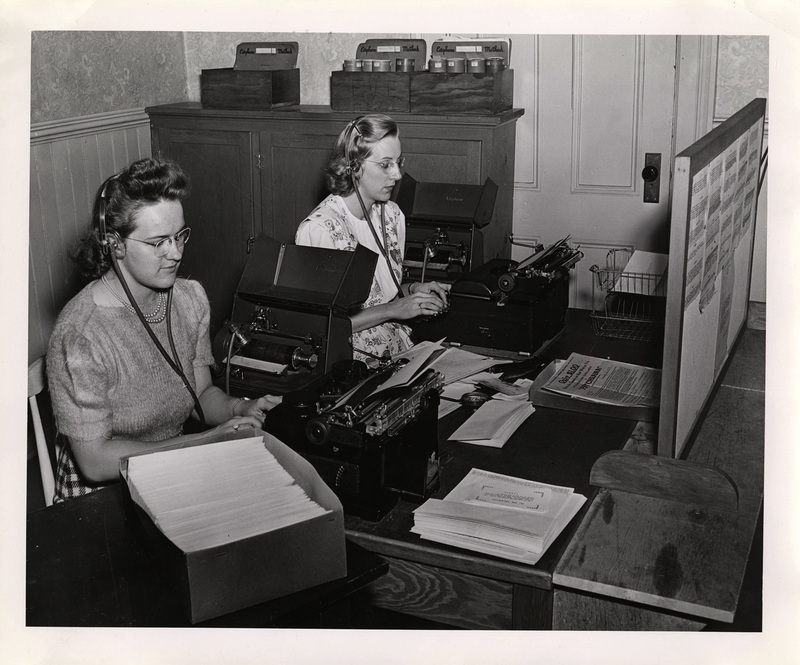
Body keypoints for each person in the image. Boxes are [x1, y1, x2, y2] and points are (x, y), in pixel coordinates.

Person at [47, 157, 280, 502]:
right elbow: (94, 462)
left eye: (179, 235)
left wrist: (238, 408)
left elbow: (202, 395)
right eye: (159, 242)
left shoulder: (189, 300)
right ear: (115, 243)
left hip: (174, 461)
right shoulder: (80, 336)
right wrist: (204, 441)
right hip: (103, 491)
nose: (175, 253)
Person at [296, 114, 450, 362]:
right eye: (385, 164)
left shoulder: (391, 215)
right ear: (353, 167)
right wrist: (394, 309)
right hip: (347, 360)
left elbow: (375, 298)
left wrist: (412, 291)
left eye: (399, 162)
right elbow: (321, 327)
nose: (398, 175)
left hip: (396, 348)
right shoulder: (320, 230)